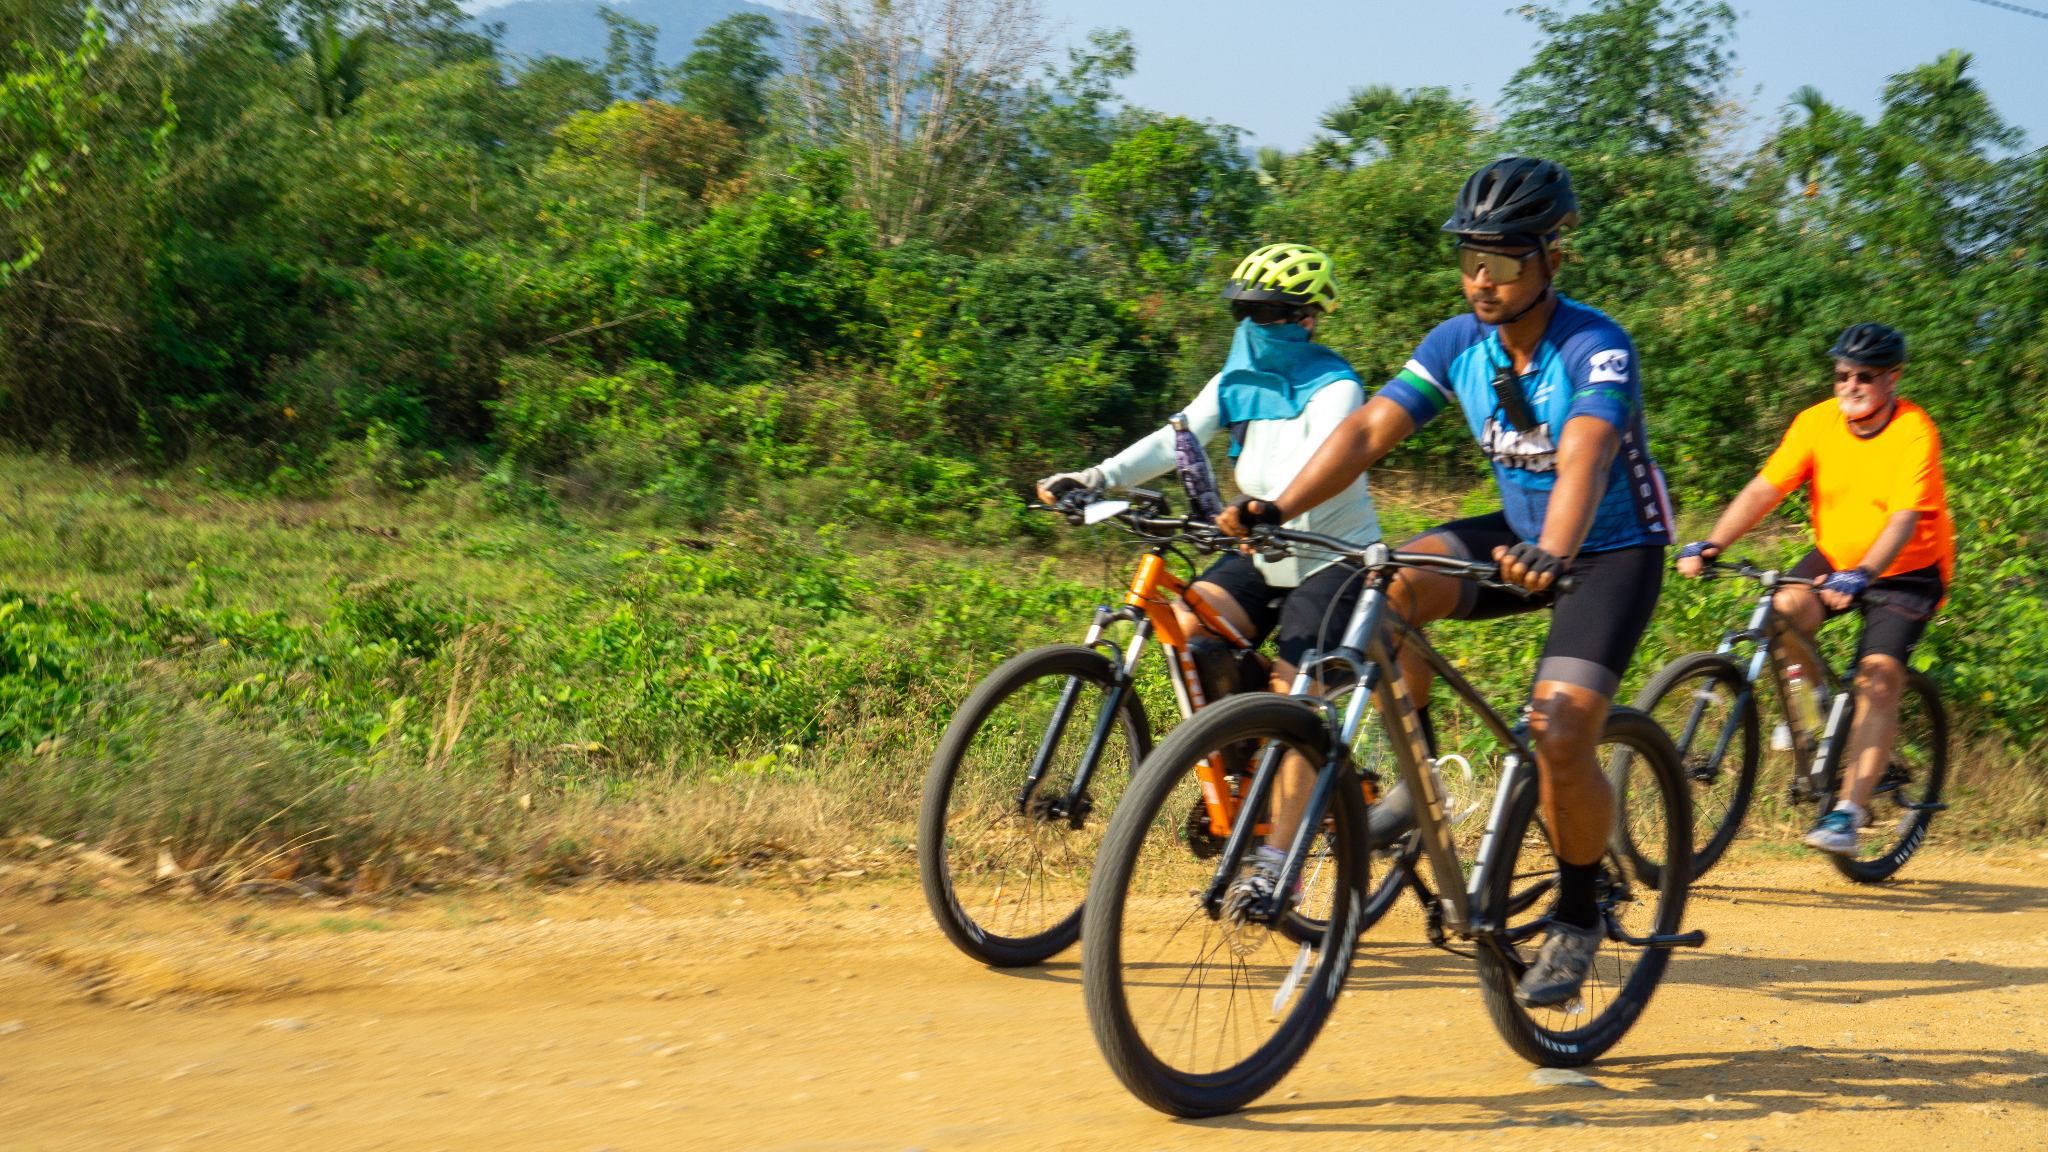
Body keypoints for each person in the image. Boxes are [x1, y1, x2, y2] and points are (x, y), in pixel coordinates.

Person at [1218, 157, 1674, 1008]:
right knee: (1386, 589)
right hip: (1519, 536)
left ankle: (1580, 913)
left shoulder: (1595, 345)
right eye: (1469, 259)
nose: (1481, 280)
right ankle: (1419, 781)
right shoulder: (1456, 343)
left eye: (1502, 261)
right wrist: (1277, 505)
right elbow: (1366, 433)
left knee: (1562, 728)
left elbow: (1586, 451)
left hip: (1611, 548)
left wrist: (1557, 552)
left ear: (1552, 259)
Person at [1036, 242, 1380, 915]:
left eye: (1274, 312)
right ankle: (1244, 762)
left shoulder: (1337, 387)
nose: (1257, 324)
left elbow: (1319, 468)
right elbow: (1178, 438)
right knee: (1192, 632)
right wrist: (1095, 478)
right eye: (1247, 310)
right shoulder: (1235, 379)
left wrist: (1263, 511)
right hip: (1261, 550)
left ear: (1309, 319)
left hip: (1332, 556)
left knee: (1294, 691)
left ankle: (1273, 866)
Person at [1674, 321, 1954, 856]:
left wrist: (1865, 573)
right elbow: (1766, 487)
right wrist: (1712, 543)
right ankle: (1816, 714)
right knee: (1783, 607)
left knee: (1878, 676)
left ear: (1893, 378)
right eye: (1841, 374)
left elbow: (1901, 519)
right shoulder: (1816, 422)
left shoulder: (1914, 430)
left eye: (1864, 377)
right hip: (1838, 555)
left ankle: (1848, 813)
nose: (1849, 385)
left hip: (1906, 567)